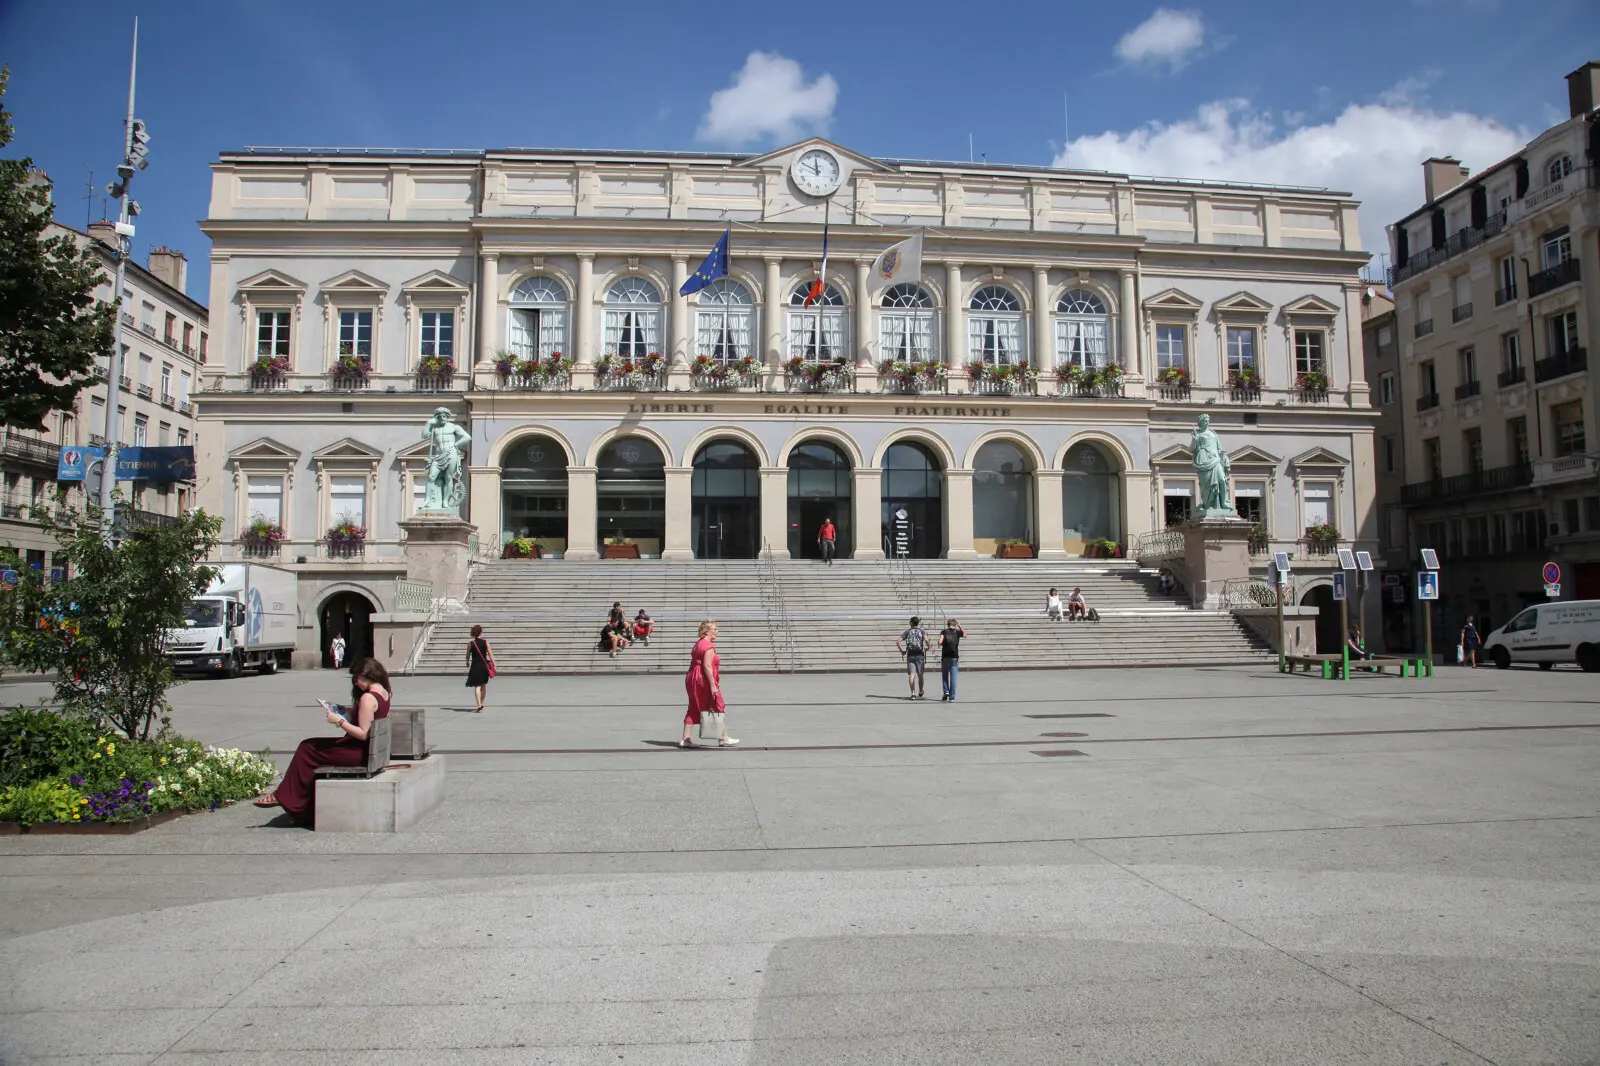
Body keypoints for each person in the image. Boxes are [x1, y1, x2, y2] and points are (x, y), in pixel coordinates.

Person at [254, 657, 392, 827]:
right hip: (366, 751)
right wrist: (347, 712)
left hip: (357, 752)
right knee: (310, 747)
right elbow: (370, 720)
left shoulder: (368, 698)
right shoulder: (384, 693)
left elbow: (363, 734)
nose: (356, 683)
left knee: (307, 749)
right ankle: (295, 802)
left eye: (357, 678)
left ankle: (285, 798)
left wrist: (339, 721)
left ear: (366, 674)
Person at [682, 620, 737, 748]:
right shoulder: (708, 646)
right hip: (703, 679)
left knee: (694, 706)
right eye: (715, 629)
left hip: (692, 677)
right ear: (707, 631)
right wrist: (713, 684)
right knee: (717, 704)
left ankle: (685, 739)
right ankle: (724, 738)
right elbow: (707, 666)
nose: (717, 632)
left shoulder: (698, 644)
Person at [896, 615, 929, 700]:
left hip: (910, 655)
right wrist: (928, 647)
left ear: (911, 623)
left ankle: (913, 693)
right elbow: (926, 640)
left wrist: (902, 651)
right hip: (920, 655)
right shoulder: (921, 631)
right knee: (920, 674)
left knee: (912, 674)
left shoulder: (907, 631)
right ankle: (920, 691)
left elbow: (898, 641)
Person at [466, 624, 494, 712]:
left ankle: (478, 705)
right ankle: (481, 703)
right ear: (481, 632)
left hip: (475, 667)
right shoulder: (485, 642)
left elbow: (467, 656)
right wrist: (494, 663)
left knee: (477, 686)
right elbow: (490, 654)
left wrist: (467, 662)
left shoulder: (470, 644)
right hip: (484, 667)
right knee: (484, 685)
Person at [938, 618, 966, 702]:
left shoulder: (944, 631)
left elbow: (940, 642)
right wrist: (960, 626)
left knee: (945, 675)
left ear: (948, 624)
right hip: (954, 656)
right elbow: (965, 634)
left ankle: (946, 691)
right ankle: (952, 697)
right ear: (955, 624)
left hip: (945, 656)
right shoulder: (957, 632)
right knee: (953, 676)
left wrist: (943, 644)